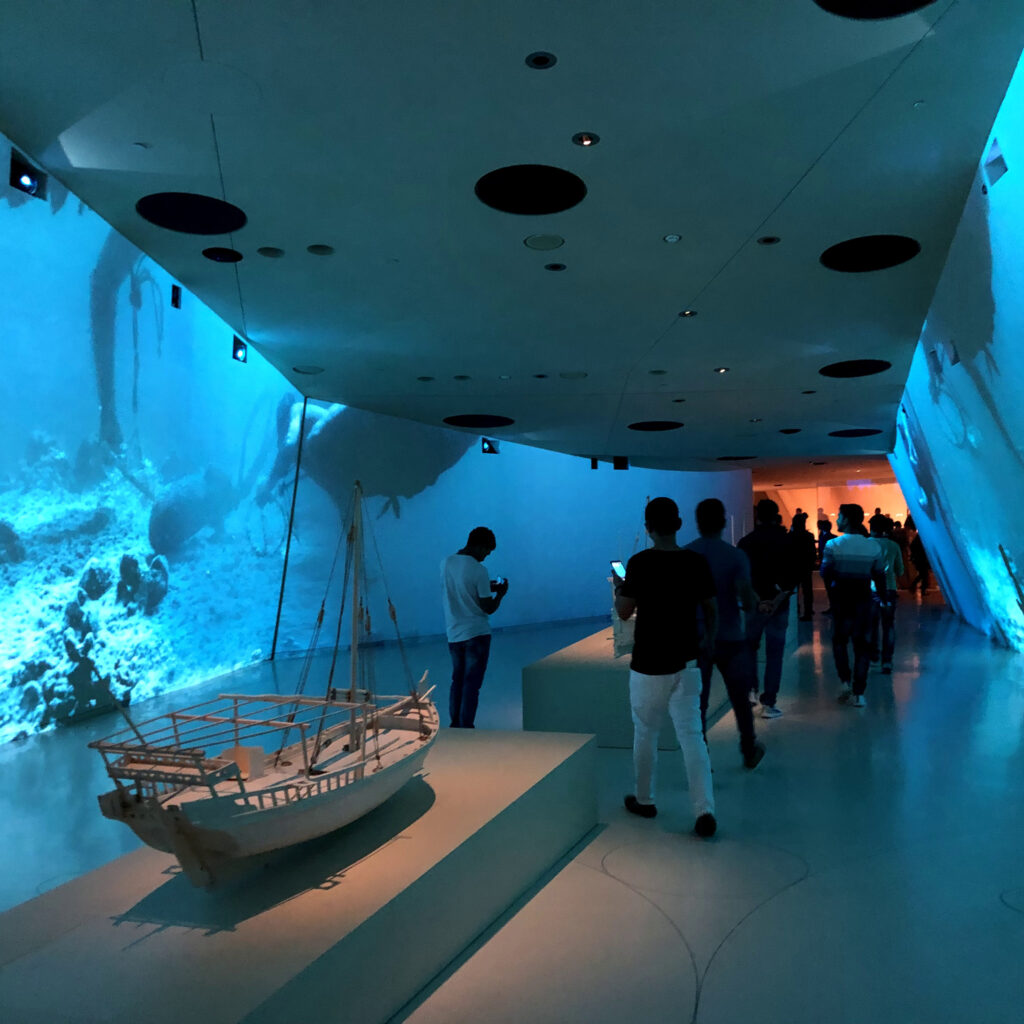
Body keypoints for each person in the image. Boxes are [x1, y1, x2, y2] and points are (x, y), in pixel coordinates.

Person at [615, 497, 718, 837]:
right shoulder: (696, 562)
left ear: (648, 528)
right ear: (678, 524)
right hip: (686, 662)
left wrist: (620, 587)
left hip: (648, 663)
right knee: (692, 737)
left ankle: (645, 799)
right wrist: (708, 642)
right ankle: (704, 809)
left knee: (646, 733)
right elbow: (711, 609)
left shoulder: (640, 563)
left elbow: (625, 611)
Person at [685, 499, 766, 769]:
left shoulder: (687, 554)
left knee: (698, 703)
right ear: (722, 522)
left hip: (696, 638)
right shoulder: (734, 556)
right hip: (730, 636)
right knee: (740, 698)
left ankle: (700, 757)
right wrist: (754, 603)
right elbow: (746, 597)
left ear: (698, 522)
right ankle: (748, 749)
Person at [820, 504, 887, 708]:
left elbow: (825, 572)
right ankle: (859, 693)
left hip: (841, 601)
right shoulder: (873, 547)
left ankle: (845, 681)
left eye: (840, 516)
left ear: (847, 519)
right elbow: (879, 575)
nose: (837, 520)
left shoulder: (833, 545)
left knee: (839, 642)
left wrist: (832, 594)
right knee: (862, 646)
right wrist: (883, 598)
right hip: (864, 601)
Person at [441, 527, 508, 728]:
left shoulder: (446, 563)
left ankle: (455, 725)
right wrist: (500, 594)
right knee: (472, 685)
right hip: (477, 634)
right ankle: (467, 726)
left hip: (454, 633)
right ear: (479, 546)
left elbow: (462, 588)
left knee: (458, 681)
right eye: (487, 551)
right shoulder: (479, 570)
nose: (486, 556)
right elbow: (488, 607)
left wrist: (487, 586)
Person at [738, 499, 799, 718]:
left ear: (757, 516)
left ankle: (751, 691)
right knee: (775, 654)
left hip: (754, 605)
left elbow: (743, 577)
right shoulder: (788, 541)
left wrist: (759, 601)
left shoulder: (746, 542)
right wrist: (776, 599)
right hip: (779, 605)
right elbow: (794, 576)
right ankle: (769, 703)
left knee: (749, 648)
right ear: (776, 515)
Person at [868, 514, 904, 673]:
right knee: (888, 625)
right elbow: (900, 571)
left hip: (871, 590)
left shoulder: (867, 544)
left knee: (872, 624)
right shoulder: (894, 546)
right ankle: (887, 661)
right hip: (889, 589)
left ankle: (874, 655)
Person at [790, 512, 818, 621]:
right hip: (806, 567)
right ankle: (808, 612)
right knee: (807, 591)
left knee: (793, 591)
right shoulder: (809, 536)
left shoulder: (790, 536)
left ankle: (795, 609)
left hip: (793, 567)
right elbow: (812, 552)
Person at [909, 530, 932, 595]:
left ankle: (916, 587)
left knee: (923, 574)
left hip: (918, 559)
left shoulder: (916, 541)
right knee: (924, 575)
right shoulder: (922, 541)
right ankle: (921, 589)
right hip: (921, 559)